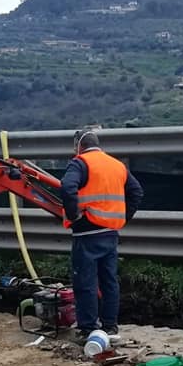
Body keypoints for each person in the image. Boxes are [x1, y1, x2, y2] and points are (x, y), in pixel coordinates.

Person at [60, 129, 144, 343]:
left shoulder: (80, 163)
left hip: (87, 232)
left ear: (79, 146)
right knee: (109, 281)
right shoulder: (117, 165)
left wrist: (74, 215)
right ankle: (110, 327)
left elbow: (67, 187)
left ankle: (88, 329)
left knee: (85, 282)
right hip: (110, 233)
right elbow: (136, 192)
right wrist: (123, 217)